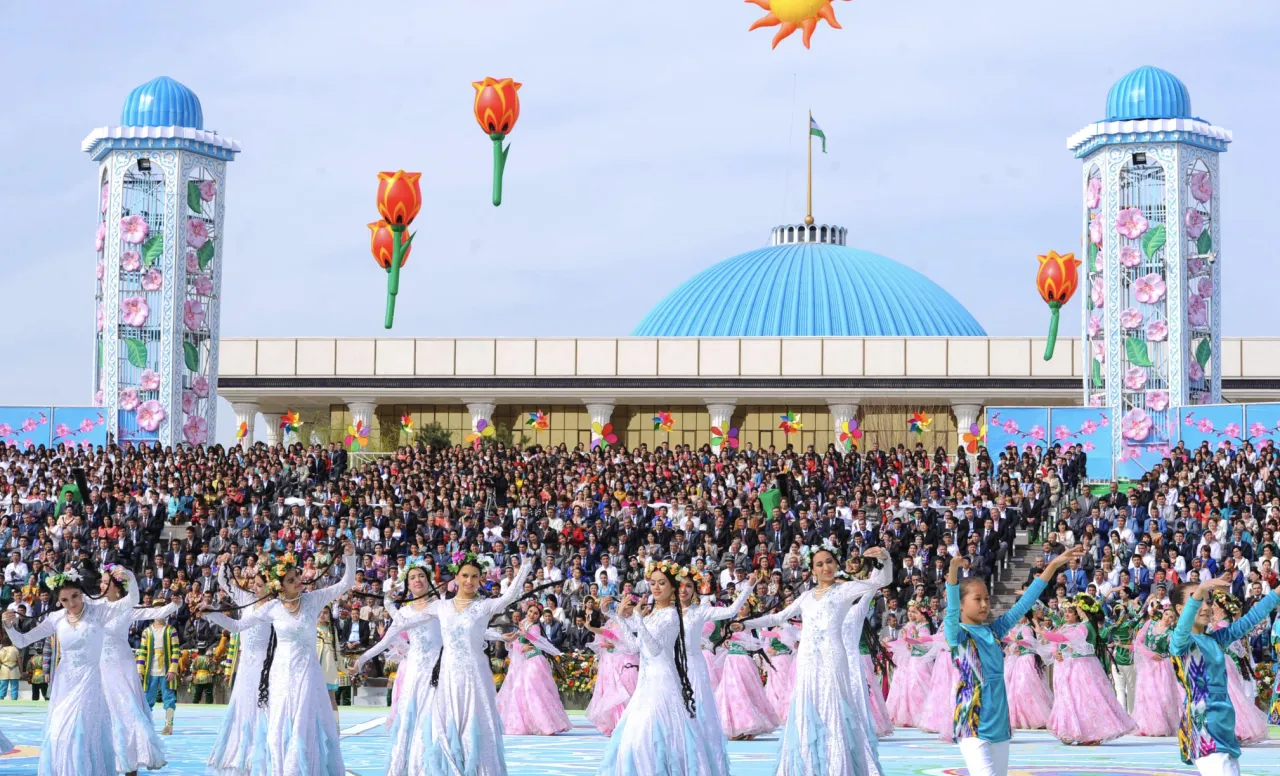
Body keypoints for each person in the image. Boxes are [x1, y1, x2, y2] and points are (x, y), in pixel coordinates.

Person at [198, 542, 357, 776]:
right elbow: (238, 626)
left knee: (302, 725)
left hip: (308, 673)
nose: (298, 581)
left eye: (297, 576)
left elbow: (346, 583)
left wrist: (350, 557)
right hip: (280, 675)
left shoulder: (312, 600)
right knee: (279, 728)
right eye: (291, 580)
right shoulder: (272, 607)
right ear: (280, 587)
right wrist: (211, 613)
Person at [741, 546, 893, 776]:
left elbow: (882, 580)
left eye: (829, 561)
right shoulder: (805, 597)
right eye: (819, 564)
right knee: (807, 709)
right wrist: (744, 624)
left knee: (834, 708)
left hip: (833, 657)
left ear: (837, 564)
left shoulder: (844, 590)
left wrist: (885, 558)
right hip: (807, 661)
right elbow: (778, 617)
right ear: (812, 570)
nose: (825, 567)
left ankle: (837, 768)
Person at [943, 547, 1083, 776]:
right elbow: (951, 610)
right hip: (972, 723)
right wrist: (952, 570)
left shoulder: (994, 631)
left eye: (987, 599)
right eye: (977, 599)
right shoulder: (958, 635)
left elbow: (1024, 604)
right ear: (961, 603)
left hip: (1000, 724)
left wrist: (1053, 565)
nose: (984, 604)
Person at [3, 567, 135, 775]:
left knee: (81, 731)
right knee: (57, 733)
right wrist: (9, 626)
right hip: (64, 683)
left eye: (75, 596)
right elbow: (22, 641)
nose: (72, 603)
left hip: (90, 681)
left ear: (82, 593)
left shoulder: (99, 612)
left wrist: (130, 577)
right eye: (65, 600)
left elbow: (131, 601)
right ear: (59, 601)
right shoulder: (56, 618)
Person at [597, 560, 716, 775]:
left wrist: (637, 619)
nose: (656, 587)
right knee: (635, 738)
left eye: (662, 583)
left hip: (663, 682)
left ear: (673, 586)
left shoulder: (671, 615)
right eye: (653, 583)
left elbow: (654, 649)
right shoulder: (652, 613)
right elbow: (635, 646)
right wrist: (614, 615)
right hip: (646, 682)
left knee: (656, 736)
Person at [422, 552, 532, 774]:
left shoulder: (484, 606)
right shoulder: (440, 606)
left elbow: (509, 597)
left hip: (476, 674)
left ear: (481, 578)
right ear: (456, 577)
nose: (469, 581)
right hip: (448, 675)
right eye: (465, 575)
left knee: (476, 722)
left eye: (474, 576)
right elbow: (410, 616)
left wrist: (524, 569)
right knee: (449, 722)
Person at [1169, 576, 1280, 776]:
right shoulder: (1180, 643)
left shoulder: (1215, 640)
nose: (1206, 607)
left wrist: (1277, 593)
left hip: (1224, 722)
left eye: (1208, 601)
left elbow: (1250, 619)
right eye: (1198, 600)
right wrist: (1202, 587)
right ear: (1180, 609)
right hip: (1203, 726)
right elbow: (1182, 628)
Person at [99, 565, 178, 776]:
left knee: (126, 712)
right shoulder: (95, 606)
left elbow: (153, 611)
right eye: (102, 582)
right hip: (99, 666)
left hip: (121, 666)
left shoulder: (127, 607)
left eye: (106, 583)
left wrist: (174, 605)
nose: (102, 586)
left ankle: (130, 762)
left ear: (117, 588)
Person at [678, 570, 755, 773]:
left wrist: (748, 587)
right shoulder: (667, 612)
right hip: (674, 669)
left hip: (695, 668)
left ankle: (701, 764)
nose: (683, 590)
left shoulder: (700, 611)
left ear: (695, 590)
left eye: (688, 586)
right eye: (680, 585)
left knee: (697, 714)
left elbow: (731, 611)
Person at [201, 557, 272, 776]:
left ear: (270, 586)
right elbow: (224, 582)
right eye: (253, 583)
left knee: (263, 706)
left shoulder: (274, 607)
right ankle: (240, 752)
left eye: (259, 585)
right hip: (246, 664)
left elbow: (237, 626)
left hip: (265, 664)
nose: (254, 587)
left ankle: (263, 755)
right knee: (242, 704)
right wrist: (224, 563)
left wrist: (213, 613)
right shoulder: (246, 598)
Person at [1042, 594, 1135, 745]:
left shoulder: (1084, 626)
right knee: (1082, 699)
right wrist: (1057, 650)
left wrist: (1046, 634)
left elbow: (1065, 638)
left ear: (1082, 609)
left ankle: (1091, 734)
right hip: (1083, 664)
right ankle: (1078, 732)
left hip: (1082, 665)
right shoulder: (1087, 624)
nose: (1075, 609)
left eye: (1077, 607)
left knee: (1085, 699)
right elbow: (1068, 642)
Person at [496, 601, 572, 735]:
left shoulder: (535, 627)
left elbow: (536, 640)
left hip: (534, 661)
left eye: (536, 613)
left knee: (534, 692)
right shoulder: (524, 623)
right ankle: (534, 724)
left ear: (539, 616)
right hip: (526, 661)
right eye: (531, 611)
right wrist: (518, 644)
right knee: (524, 692)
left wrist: (524, 637)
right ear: (527, 612)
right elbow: (516, 643)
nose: (532, 615)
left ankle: (546, 725)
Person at [1206, 593, 1269, 745]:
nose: (1212, 607)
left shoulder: (1224, 624)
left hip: (1223, 662)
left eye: (1214, 605)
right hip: (1218, 661)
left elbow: (1235, 647)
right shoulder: (1218, 622)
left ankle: (1236, 729)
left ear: (1222, 608)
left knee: (1230, 695)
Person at [715, 612, 780, 739]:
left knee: (745, 691)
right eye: (741, 605)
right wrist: (725, 642)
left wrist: (777, 634)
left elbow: (758, 638)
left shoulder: (749, 623)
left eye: (745, 605)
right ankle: (736, 727)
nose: (742, 607)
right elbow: (723, 639)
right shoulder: (729, 622)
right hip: (730, 660)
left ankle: (749, 726)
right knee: (731, 692)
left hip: (743, 660)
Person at [584, 602, 640, 735]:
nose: (626, 610)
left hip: (630, 660)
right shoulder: (614, 622)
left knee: (628, 691)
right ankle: (618, 723)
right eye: (623, 607)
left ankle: (629, 724)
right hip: (616, 661)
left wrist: (593, 629)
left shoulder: (634, 623)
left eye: (629, 608)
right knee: (617, 692)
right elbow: (608, 634)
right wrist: (593, 630)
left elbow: (613, 636)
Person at [1132, 605, 1180, 737]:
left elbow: (1174, 649)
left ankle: (1161, 725)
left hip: (1162, 666)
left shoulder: (1171, 633)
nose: (1167, 618)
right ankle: (1146, 725)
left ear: (1174, 620)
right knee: (1146, 694)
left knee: (1162, 695)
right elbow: (1138, 642)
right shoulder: (1150, 624)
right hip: (1148, 665)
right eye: (1166, 615)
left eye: (1171, 617)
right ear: (1162, 614)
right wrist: (1149, 654)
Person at [885, 602, 935, 728]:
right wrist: (904, 642)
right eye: (911, 612)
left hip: (919, 660)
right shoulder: (918, 626)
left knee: (918, 686)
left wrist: (908, 640)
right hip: (914, 659)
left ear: (923, 615)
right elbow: (912, 644)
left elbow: (923, 645)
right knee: (913, 687)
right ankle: (914, 715)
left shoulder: (924, 628)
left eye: (916, 612)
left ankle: (922, 715)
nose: (913, 615)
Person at [136, 614, 181, 736]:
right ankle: (147, 725)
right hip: (151, 670)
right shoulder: (147, 631)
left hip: (166, 669)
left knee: (169, 698)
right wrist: (140, 669)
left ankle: (169, 725)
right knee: (147, 699)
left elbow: (176, 650)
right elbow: (142, 651)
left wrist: (173, 669)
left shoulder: (171, 630)